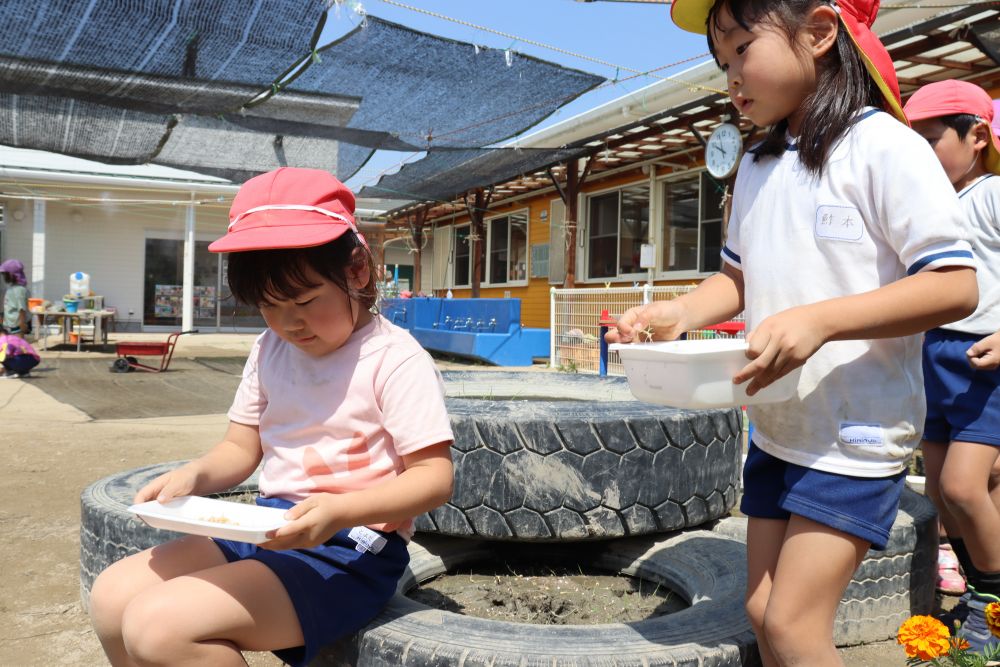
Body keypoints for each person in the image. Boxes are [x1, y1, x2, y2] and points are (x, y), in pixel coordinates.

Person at [608, 0, 980, 663]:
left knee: (792, 623)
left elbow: (955, 284)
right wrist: (680, 312)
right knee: (760, 610)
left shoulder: (885, 147)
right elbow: (738, 279)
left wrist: (820, 320)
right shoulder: (758, 164)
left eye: (743, 49)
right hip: (779, 425)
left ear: (818, 33)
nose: (731, 76)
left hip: (855, 429)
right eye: (722, 62)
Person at [87, 167, 455, 667]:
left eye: (305, 301)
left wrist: (338, 511)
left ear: (357, 272)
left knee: (160, 626)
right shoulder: (270, 350)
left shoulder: (395, 360)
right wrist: (195, 474)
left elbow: (433, 480)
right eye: (269, 305)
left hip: (349, 549)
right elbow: (240, 449)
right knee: (112, 597)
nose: (289, 323)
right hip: (263, 528)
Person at [903, 79, 1000, 651]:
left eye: (932, 140)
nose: (923, 156)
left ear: (978, 136)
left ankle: (992, 603)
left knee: (964, 487)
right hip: (933, 355)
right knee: (944, 488)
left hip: (982, 359)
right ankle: (977, 592)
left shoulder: (990, 194)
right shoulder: (931, 205)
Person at [0, 259, 30, 335]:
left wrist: (22, 324)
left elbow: (22, 308)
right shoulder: (12, 288)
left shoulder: (19, 290)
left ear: (11, 274)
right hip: (10, 326)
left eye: (5, 274)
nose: (4, 277)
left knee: (18, 345)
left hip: (17, 327)